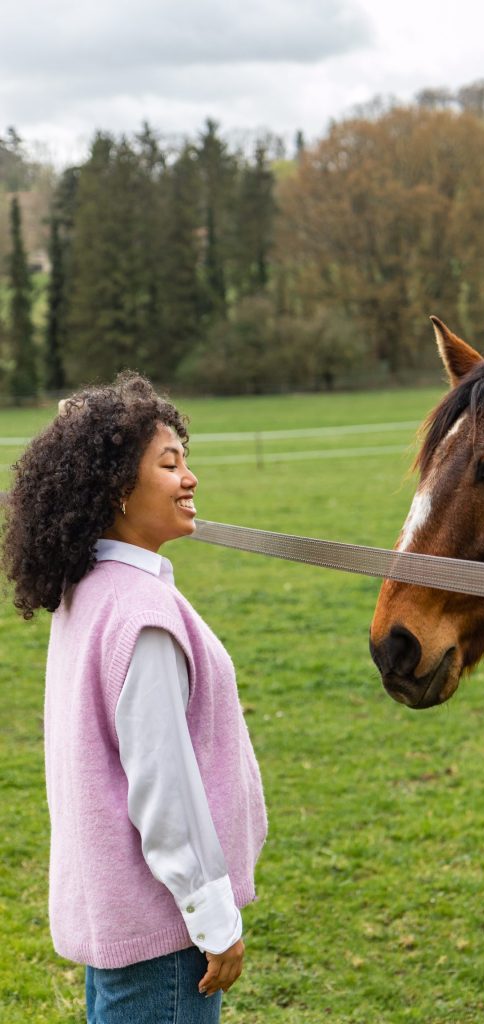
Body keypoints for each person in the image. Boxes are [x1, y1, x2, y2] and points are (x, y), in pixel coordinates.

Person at [2, 372, 267, 1023]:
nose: (190, 477)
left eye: (186, 460)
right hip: (163, 942)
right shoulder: (139, 614)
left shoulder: (89, 590)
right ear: (119, 487)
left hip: (120, 931)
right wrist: (213, 919)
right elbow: (164, 789)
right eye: (169, 463)